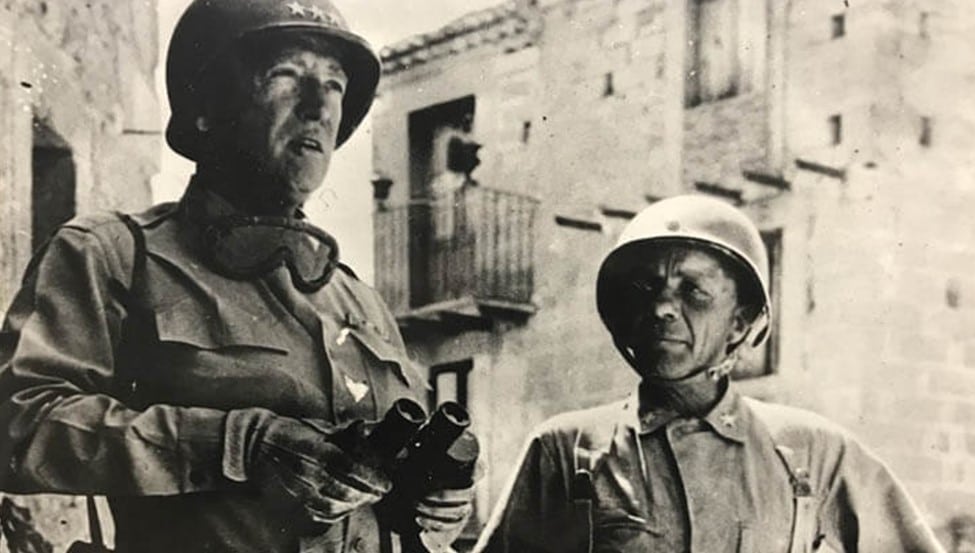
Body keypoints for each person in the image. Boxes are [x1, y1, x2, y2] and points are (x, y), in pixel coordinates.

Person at [0, 1, 475, 552]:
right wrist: (240, 445)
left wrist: (439, 503)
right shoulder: (113, 255)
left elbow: (397, 488)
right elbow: (18, 425)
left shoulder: (359, 301)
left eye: (334, 86)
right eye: (285, 76)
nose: (318, 107)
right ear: (206, 109)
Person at [473, 195, 945, 552]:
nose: (662, 308)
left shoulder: (814, 452)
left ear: (739, 322)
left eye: (693, 291)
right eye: (647, 288)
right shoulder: (565, 449)